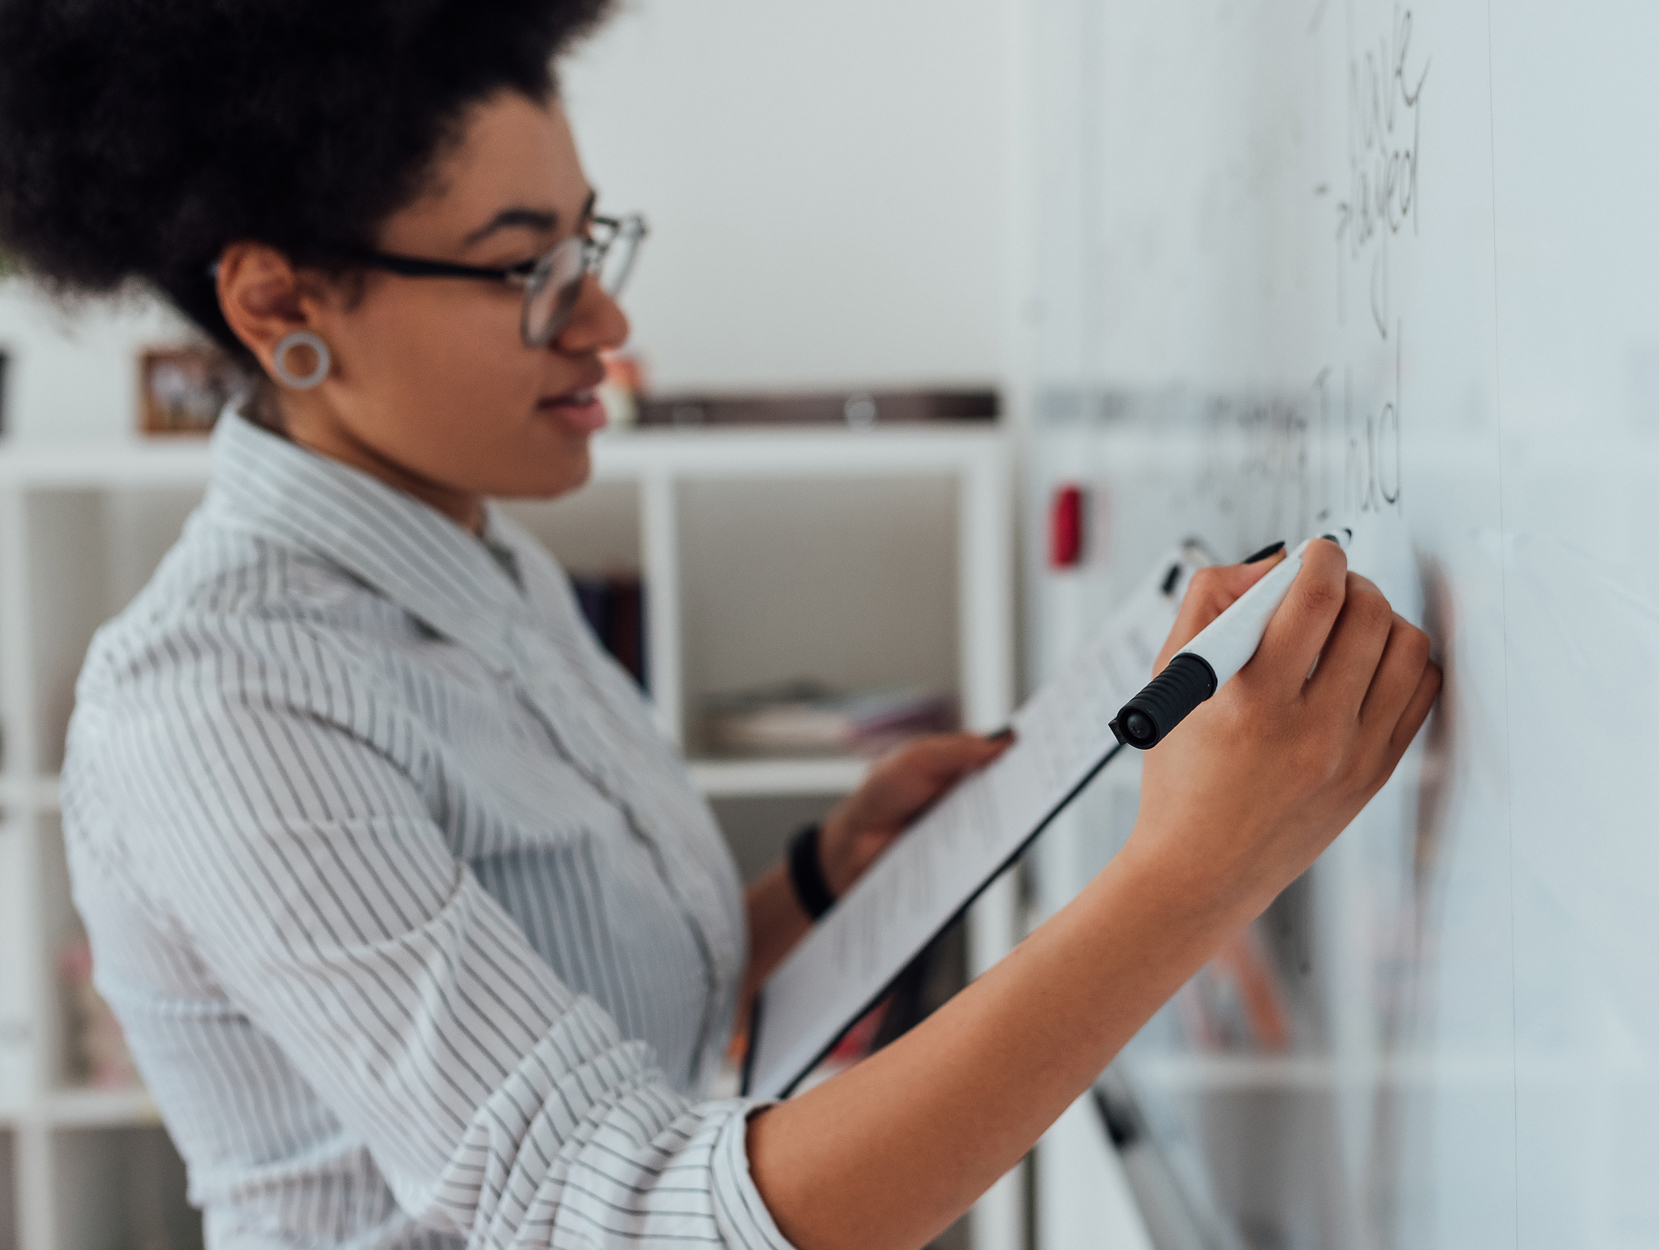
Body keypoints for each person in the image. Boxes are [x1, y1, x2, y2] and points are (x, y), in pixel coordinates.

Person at [0, 3, 1441, 1248]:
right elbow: (616, 1214)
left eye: (588, 241)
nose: (605, 324)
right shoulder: (220, 706)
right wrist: (1188, 879)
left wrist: (822, 879)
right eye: (524, 268)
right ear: (278, 303)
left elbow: (565, 1006)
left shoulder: (478, 563)